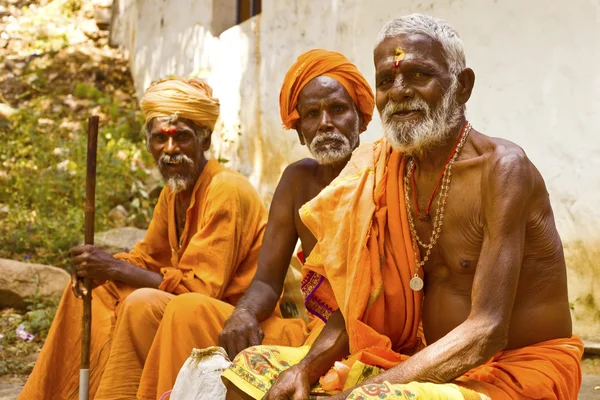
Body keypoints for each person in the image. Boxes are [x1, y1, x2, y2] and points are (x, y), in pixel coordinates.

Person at [223, 14, 583, 400]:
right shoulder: (384, 169)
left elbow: (487, 332)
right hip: (417, 360)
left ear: (462, 87)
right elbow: (359, 306)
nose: (397, 92)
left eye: (417, 75)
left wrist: (365, 389)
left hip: (515, 369)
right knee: (251, 373)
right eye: (385, 81)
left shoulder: (503, 170)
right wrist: (303, 369)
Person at [135, 49, 375, 400]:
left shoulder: (381, 173)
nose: (324, 122)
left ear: (362, 119)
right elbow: (266, 281)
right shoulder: (296, 180)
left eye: (337, 110)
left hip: (364, 335)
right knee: (185, 310)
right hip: (314, 331)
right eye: (311, 114)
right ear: (299, 131)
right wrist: (244, 314)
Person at [18, 77, 268, 400]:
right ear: (149, 143)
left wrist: (115, 268)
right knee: (93, 291)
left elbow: (201, 290)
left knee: (141, 303)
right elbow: (147, 258)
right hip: (190, 306)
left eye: (182, 137)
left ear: (204, 140)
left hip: (233, 321)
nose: (170, 149)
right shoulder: (172, 194)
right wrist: (97, 269)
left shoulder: (226, 189)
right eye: (160, 139)